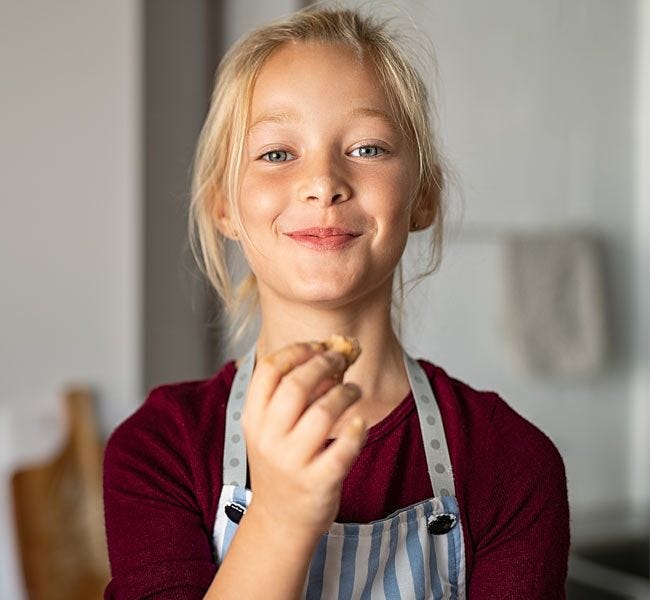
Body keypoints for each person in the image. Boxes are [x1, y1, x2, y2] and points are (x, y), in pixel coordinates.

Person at [103, 5, 570, 599]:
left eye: (369, 148)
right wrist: (281, 515)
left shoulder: (513, 461)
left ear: (422, 197)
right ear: (224, 206)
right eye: (277, 154)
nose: (323, 181)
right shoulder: (158, 449)